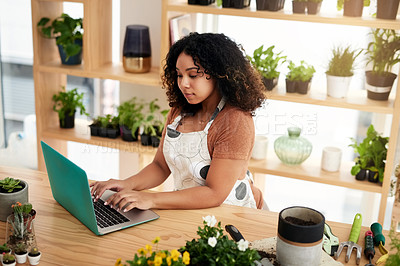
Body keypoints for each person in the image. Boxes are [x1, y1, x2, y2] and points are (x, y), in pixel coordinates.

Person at [90, 32, 267, 212]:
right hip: (189, 209)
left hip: (235, 214)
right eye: (179, 75)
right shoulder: (179, 112)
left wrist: (150, 199)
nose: (183, 84)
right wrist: (126, 184)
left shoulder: (235, 121)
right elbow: (160, 166)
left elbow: (214, 193)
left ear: (219, 74)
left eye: (193, 75)